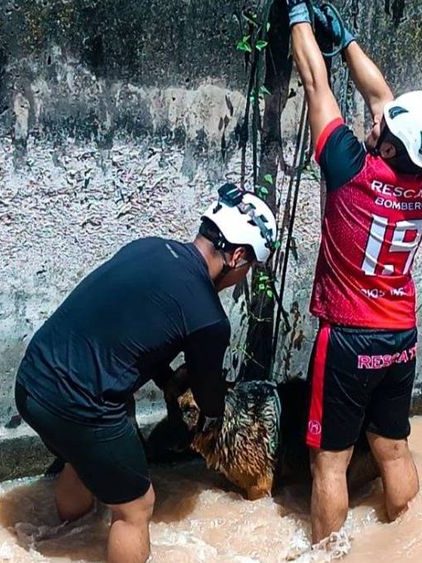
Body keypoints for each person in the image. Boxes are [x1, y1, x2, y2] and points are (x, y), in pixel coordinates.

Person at [14, 184, 277, 563]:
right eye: (249, 267)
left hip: (31, 383)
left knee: (81, 460)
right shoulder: (207, 318)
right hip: (80, 406)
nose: (243, 276)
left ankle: (67, 539)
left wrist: (167, 379)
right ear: (237, 256)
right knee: (136, 507)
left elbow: (138, 336)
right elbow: (209, 400)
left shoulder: (149, 247)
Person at [286, 0, 422, 549]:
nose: (376, 117)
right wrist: (348, 39)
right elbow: (382, 97)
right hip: (399, 336)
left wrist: (296, 15)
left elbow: (315, 83)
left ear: (388, 144)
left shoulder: (349, 168)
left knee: (330, 465)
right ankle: (406, 541)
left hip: (347, 338)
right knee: (392, 449)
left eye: (383, 127)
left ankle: (324, 556)